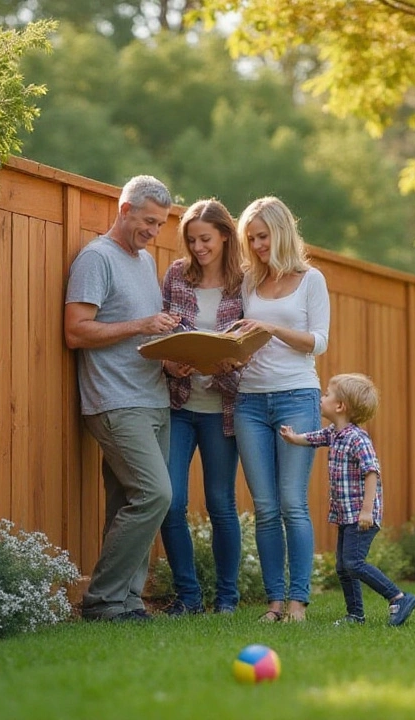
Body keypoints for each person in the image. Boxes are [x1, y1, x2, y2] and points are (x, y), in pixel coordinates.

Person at [63, 175, 180, 622]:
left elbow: (144, 333)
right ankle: (101, 600)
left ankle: (127, 602)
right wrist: (141, 326)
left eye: (161, 224)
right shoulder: (97, 258)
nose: (154, 231)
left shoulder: (146, 262)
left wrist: (173, 360)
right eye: (148, 221)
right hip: (114, 401)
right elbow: (76, 331)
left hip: (154, 398)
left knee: (127, 504)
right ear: (124, 209)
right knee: (155, 495)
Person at [228, 196, 330, 623]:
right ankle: (273, 603)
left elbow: (318, 341)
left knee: (292, 503)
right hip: (250, 401)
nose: (256, 245)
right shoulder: (249, 282)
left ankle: (298, 603)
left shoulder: (311, 280)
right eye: (250, 239)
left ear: (282, 231)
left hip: (296, 397)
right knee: (265, 508)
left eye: (262, 236)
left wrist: (270, 327)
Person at [157, 199, 246, 615]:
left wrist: (234, 360)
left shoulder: (245, 283)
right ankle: (188, 596)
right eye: (191, 240)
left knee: (220, 504)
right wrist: (170, 362)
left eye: (205, 239)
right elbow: (162, 331)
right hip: (179, 404)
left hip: (222, 408)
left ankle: (227, 597)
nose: (198, 248)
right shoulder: (177, 276)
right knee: (170, 501)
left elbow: (253, 343)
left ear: (225, 236)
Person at [280, 373, 415, 627]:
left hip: (361, 515)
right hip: (346, 514)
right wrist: (293, 438)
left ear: (340, 406)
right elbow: (313, 439)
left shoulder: (358, 438)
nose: (322, 398)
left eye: (327, 394)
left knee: (354, 563)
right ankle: (355, 615)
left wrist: (367, 511)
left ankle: (399, 596)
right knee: (344, 567)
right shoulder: (335, 433)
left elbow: (372, 472)